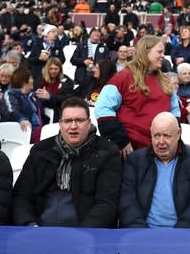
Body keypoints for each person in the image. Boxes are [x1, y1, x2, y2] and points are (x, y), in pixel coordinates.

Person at [13, 97, 121, 228]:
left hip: (86, 234)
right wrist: (29, 224)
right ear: (60, 123)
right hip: (38, 231)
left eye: (79, 120)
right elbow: (21, 196)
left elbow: (106, 204)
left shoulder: (107, 152)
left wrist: (82, 235)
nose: (73, 126)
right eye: (68, 121)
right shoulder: (40, 150)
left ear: (89, 123)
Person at [119, 112, 190, 228]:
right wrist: (140, 232)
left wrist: (180, 232)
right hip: (142, 234)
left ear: (178, 134)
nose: (161, 142)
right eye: (156, 135)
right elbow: (127, 202)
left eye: (166, 135)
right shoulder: (135, 161)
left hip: (185, 234)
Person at [95, 36, 179, 156]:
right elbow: (103, 109)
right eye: (159, 52)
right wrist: (121, 141)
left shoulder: (165, 81)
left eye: (163, 52)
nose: (163, 56)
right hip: (131, 151)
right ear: (145, 52)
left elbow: (174, 112)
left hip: (161, 150)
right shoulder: (123, 77)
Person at [0, 67, 45, 144]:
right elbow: (10, 110)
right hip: (20, 133)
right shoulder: (10, 94)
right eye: (31, 78)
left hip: (38, 132)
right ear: (24, 81)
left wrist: (48, 97)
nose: (33, 80)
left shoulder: (31, 96)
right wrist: (21, 119)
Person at [36, 57, 75, 122]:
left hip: (58, 110)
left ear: (60, 69)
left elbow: (67, 97)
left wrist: (50, 96)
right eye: (51, 69)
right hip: (43, 108)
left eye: (56, 69)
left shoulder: (67, 81)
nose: (53, 71)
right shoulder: (42, 80)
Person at [27, 24, 65, 88]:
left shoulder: (58, 46)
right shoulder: (37, 44)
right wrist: (39, 58)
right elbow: (30, 60)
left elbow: (62, 60)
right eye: (53, 32)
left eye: (56, 32)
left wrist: (50, 59)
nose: (55, 34)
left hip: (52, 77)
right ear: (46, 34)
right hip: (38, 75)